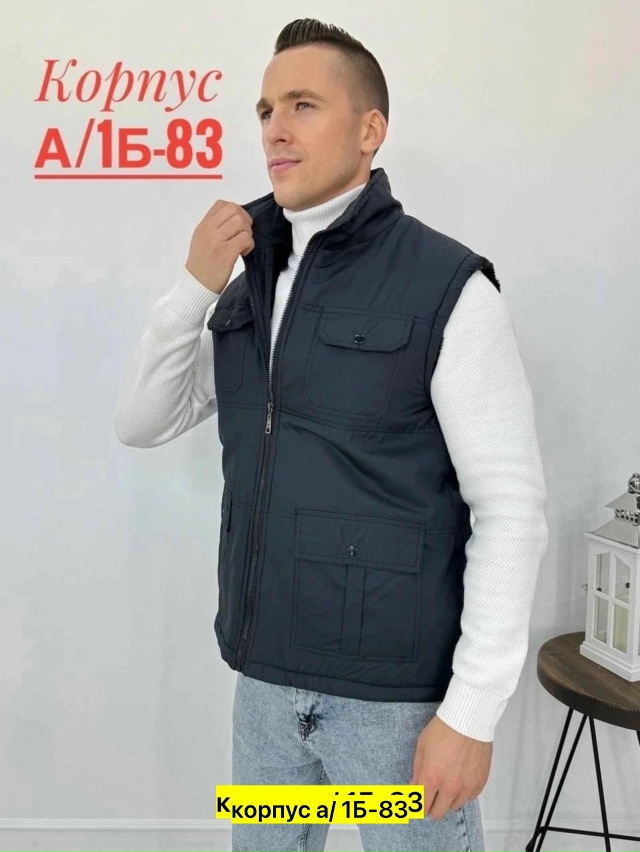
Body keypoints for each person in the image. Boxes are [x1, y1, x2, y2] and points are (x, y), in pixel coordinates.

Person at [114, 17, 549, 852]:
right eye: (266, 109)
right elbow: (142, 421)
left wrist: (471, 715)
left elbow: (511, 509)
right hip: (264, 690)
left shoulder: (448, 286)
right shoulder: (249, 282)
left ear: (369, 129)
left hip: (395, 709)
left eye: (303, 105)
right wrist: (192, 288)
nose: (275, 128)